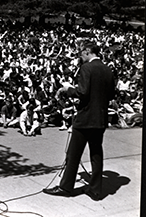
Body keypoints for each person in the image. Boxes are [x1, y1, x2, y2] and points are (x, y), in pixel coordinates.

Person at [43, 40, 116, 201]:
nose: (80, 57)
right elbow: (110, 95)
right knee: (96, 154)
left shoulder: (87, 68)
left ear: (88, 51)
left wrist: (68, 89)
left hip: (85, 118)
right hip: (100, 118)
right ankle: (96, 190)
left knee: (73, 154)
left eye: (81, 53)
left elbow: (82, 92)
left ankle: (65, 187)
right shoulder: (107, 70)